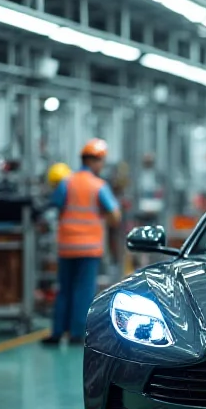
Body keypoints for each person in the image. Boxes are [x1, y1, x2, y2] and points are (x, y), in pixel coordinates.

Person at [42, 139, 122, 345]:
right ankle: (77, 333)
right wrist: (102, 219)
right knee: (84, 290)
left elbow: (53, 208)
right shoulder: (98, 186)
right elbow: (115, 215)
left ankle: (58, 331)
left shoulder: (66, 182)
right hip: (89, 248)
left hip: (67, 245)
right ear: (96, 161)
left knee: (64, 289)